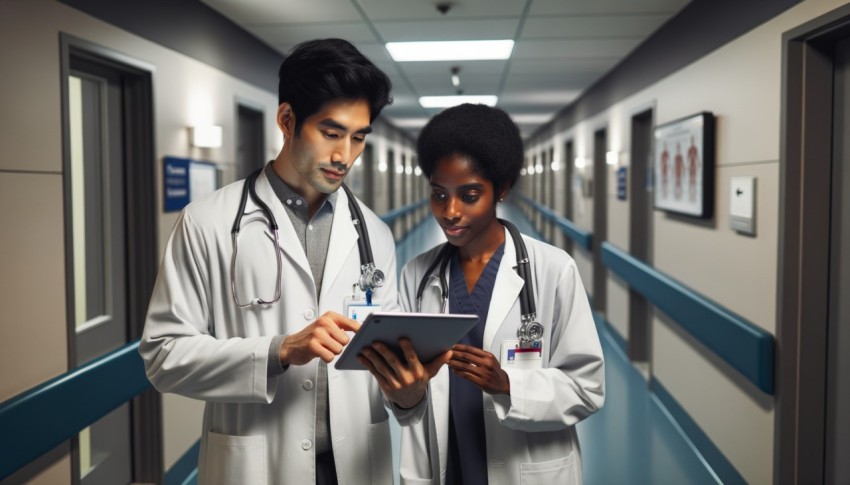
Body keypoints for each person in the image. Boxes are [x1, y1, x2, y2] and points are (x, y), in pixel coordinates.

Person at [140, 38, 441, 485]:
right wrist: (280, 350)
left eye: (358, 137)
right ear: (287, 120)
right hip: (257, 465)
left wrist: (408, 393)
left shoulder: (373, 234)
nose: (345, 156)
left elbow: (380, 361)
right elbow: (163, 356)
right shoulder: (208, 222)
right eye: (331, 132)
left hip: (355, 464)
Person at [396, 104, 605, 484]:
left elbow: (586, 388)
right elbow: (407, 403)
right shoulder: (417, 275)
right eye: (439, 195)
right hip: (447, 464)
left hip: (524, 468)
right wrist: (404, 390)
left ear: (502, 189)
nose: (450, 211)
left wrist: (508, 384)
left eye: (470, 194)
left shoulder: (554, 270)